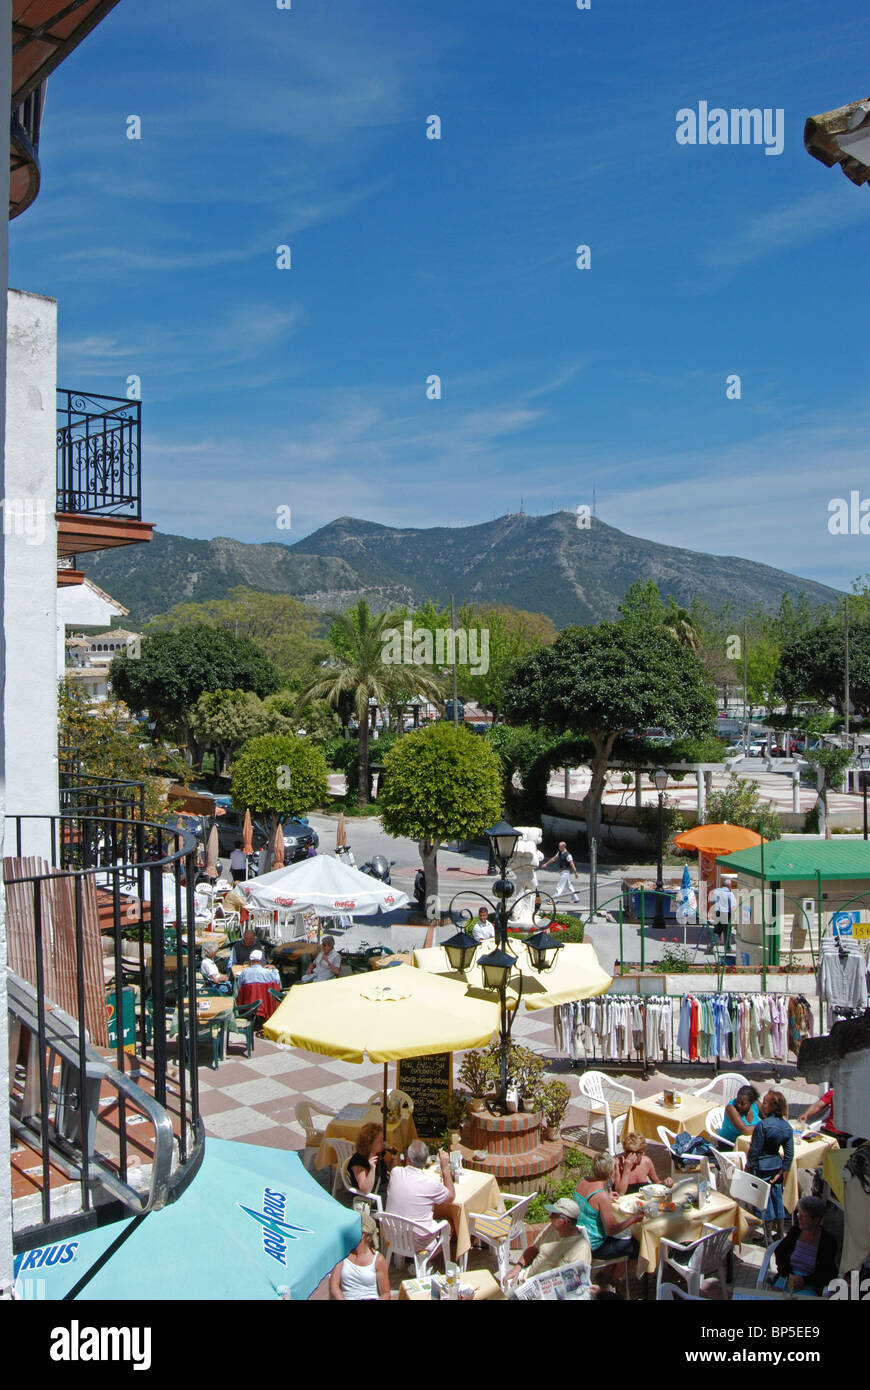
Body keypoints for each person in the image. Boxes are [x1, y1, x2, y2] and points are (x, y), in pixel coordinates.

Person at [574, 1152, 643, 1276]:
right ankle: (612, 1278)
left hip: (582, 1238)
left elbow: (590, 1203)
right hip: (597, 1247)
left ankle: (609, 1272)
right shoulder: (601, 1196)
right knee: (639, 1245)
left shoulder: (582, 1181)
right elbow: (611, 1230)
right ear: (610, 1174)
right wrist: (634, 1218)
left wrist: (607, 1197)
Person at [503, 1198, 593, 1287]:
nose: (550, 1217)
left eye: (554, 1215)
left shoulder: (581, 1248)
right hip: (527, 1280)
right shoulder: (552, 1228)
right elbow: (533, 1249)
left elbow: (577, 1284)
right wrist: (517, 1267)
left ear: (565, 1222)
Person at [386, 1140, 455, 1248]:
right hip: (417, 1242)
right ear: (425, 1160)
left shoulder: (395, 1172)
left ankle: (411, 1258)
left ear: (408, 1158)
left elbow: (391, 1190)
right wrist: (445, 1167)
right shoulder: (430, 1184)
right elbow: (451, 1197)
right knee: (449, 1224)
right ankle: (424, 1260)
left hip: (392, 1236)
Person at [748, 1089, 794, 1242]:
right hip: (776, 1166)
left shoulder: (763, 1126)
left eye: (765, 1103)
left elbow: (755, 1150)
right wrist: (782, 1171)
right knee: (777, 1198)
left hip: (761, 1167)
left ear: (773, 1107)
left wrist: (750, 1168)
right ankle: (780, 1233)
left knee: (765, 1202)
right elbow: (789, 1154)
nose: (763, 1105)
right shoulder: (787, 1127)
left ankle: (767, 1237)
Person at [771, 1195, 838, 1296]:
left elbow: (828, 1273)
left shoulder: (828, 1241)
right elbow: (780, 1253)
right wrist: (790, 1275)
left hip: (810, 1284)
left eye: (804, 1216)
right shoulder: (795, 1231)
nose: (799, 1217)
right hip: (787, 1277)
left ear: (816, 1220)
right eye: (799, 1213)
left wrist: (805, 1280)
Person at [329, 1215, 390, 1301]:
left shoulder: (377, 1259)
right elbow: (334, 1287)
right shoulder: (343, 1255)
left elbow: (386, 1293)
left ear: (362, 1235)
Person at [348, 1122, 398, 1198]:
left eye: (382, 1140)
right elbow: (365, 1189)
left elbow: (391, 1169)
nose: (383, 1143)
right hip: (374, 1196)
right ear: (369, 1144)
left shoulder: (380, 1152)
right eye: (379, 1142)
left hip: (384, 1188)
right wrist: (372, 1168)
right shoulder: (358, 1160)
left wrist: (393, 1158)